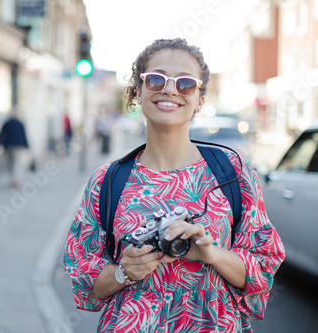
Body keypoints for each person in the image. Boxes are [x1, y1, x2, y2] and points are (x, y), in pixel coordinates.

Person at [63, 38, 285, 332]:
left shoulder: (233, 172)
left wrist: (212, 253)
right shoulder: (107, 180)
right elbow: (86, 287)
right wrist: (123, 271)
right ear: (138, 93)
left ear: (199, 100)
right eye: (156, 79)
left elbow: (263, 269)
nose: (170, 89)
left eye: (185, 83)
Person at [0, 107, 29, 188]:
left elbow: (1, 135)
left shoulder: (7, 123)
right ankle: (16, 181)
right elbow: (24, 136)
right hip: (18, 146)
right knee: (17, 164)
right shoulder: (20, 123)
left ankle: (13, 180)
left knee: (11, 164)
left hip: (9, 146)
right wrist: (27, 146)